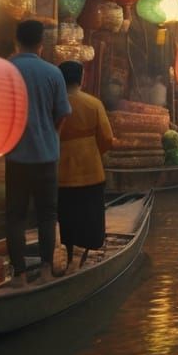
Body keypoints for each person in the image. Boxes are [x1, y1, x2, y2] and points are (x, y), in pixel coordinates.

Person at [6, 20, 72, 278]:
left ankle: (19, 273)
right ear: (41, 45)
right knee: (47, 215)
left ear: (16, 41)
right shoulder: (53, 73)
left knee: (15, 217)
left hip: (15, 156)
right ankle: (46, 269)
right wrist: (49, 133)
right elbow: (62, 114)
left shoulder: (6, 70)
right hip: (46, 156)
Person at [55, 61, 113, 272]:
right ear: (82, 79)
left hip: (62, 171)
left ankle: (70, 255)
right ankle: (82, 256)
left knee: (67, 215)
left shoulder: (54, 104)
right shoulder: (93, 104)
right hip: (91, 170)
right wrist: (94, 152)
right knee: (90, 215)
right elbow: (107, 138)